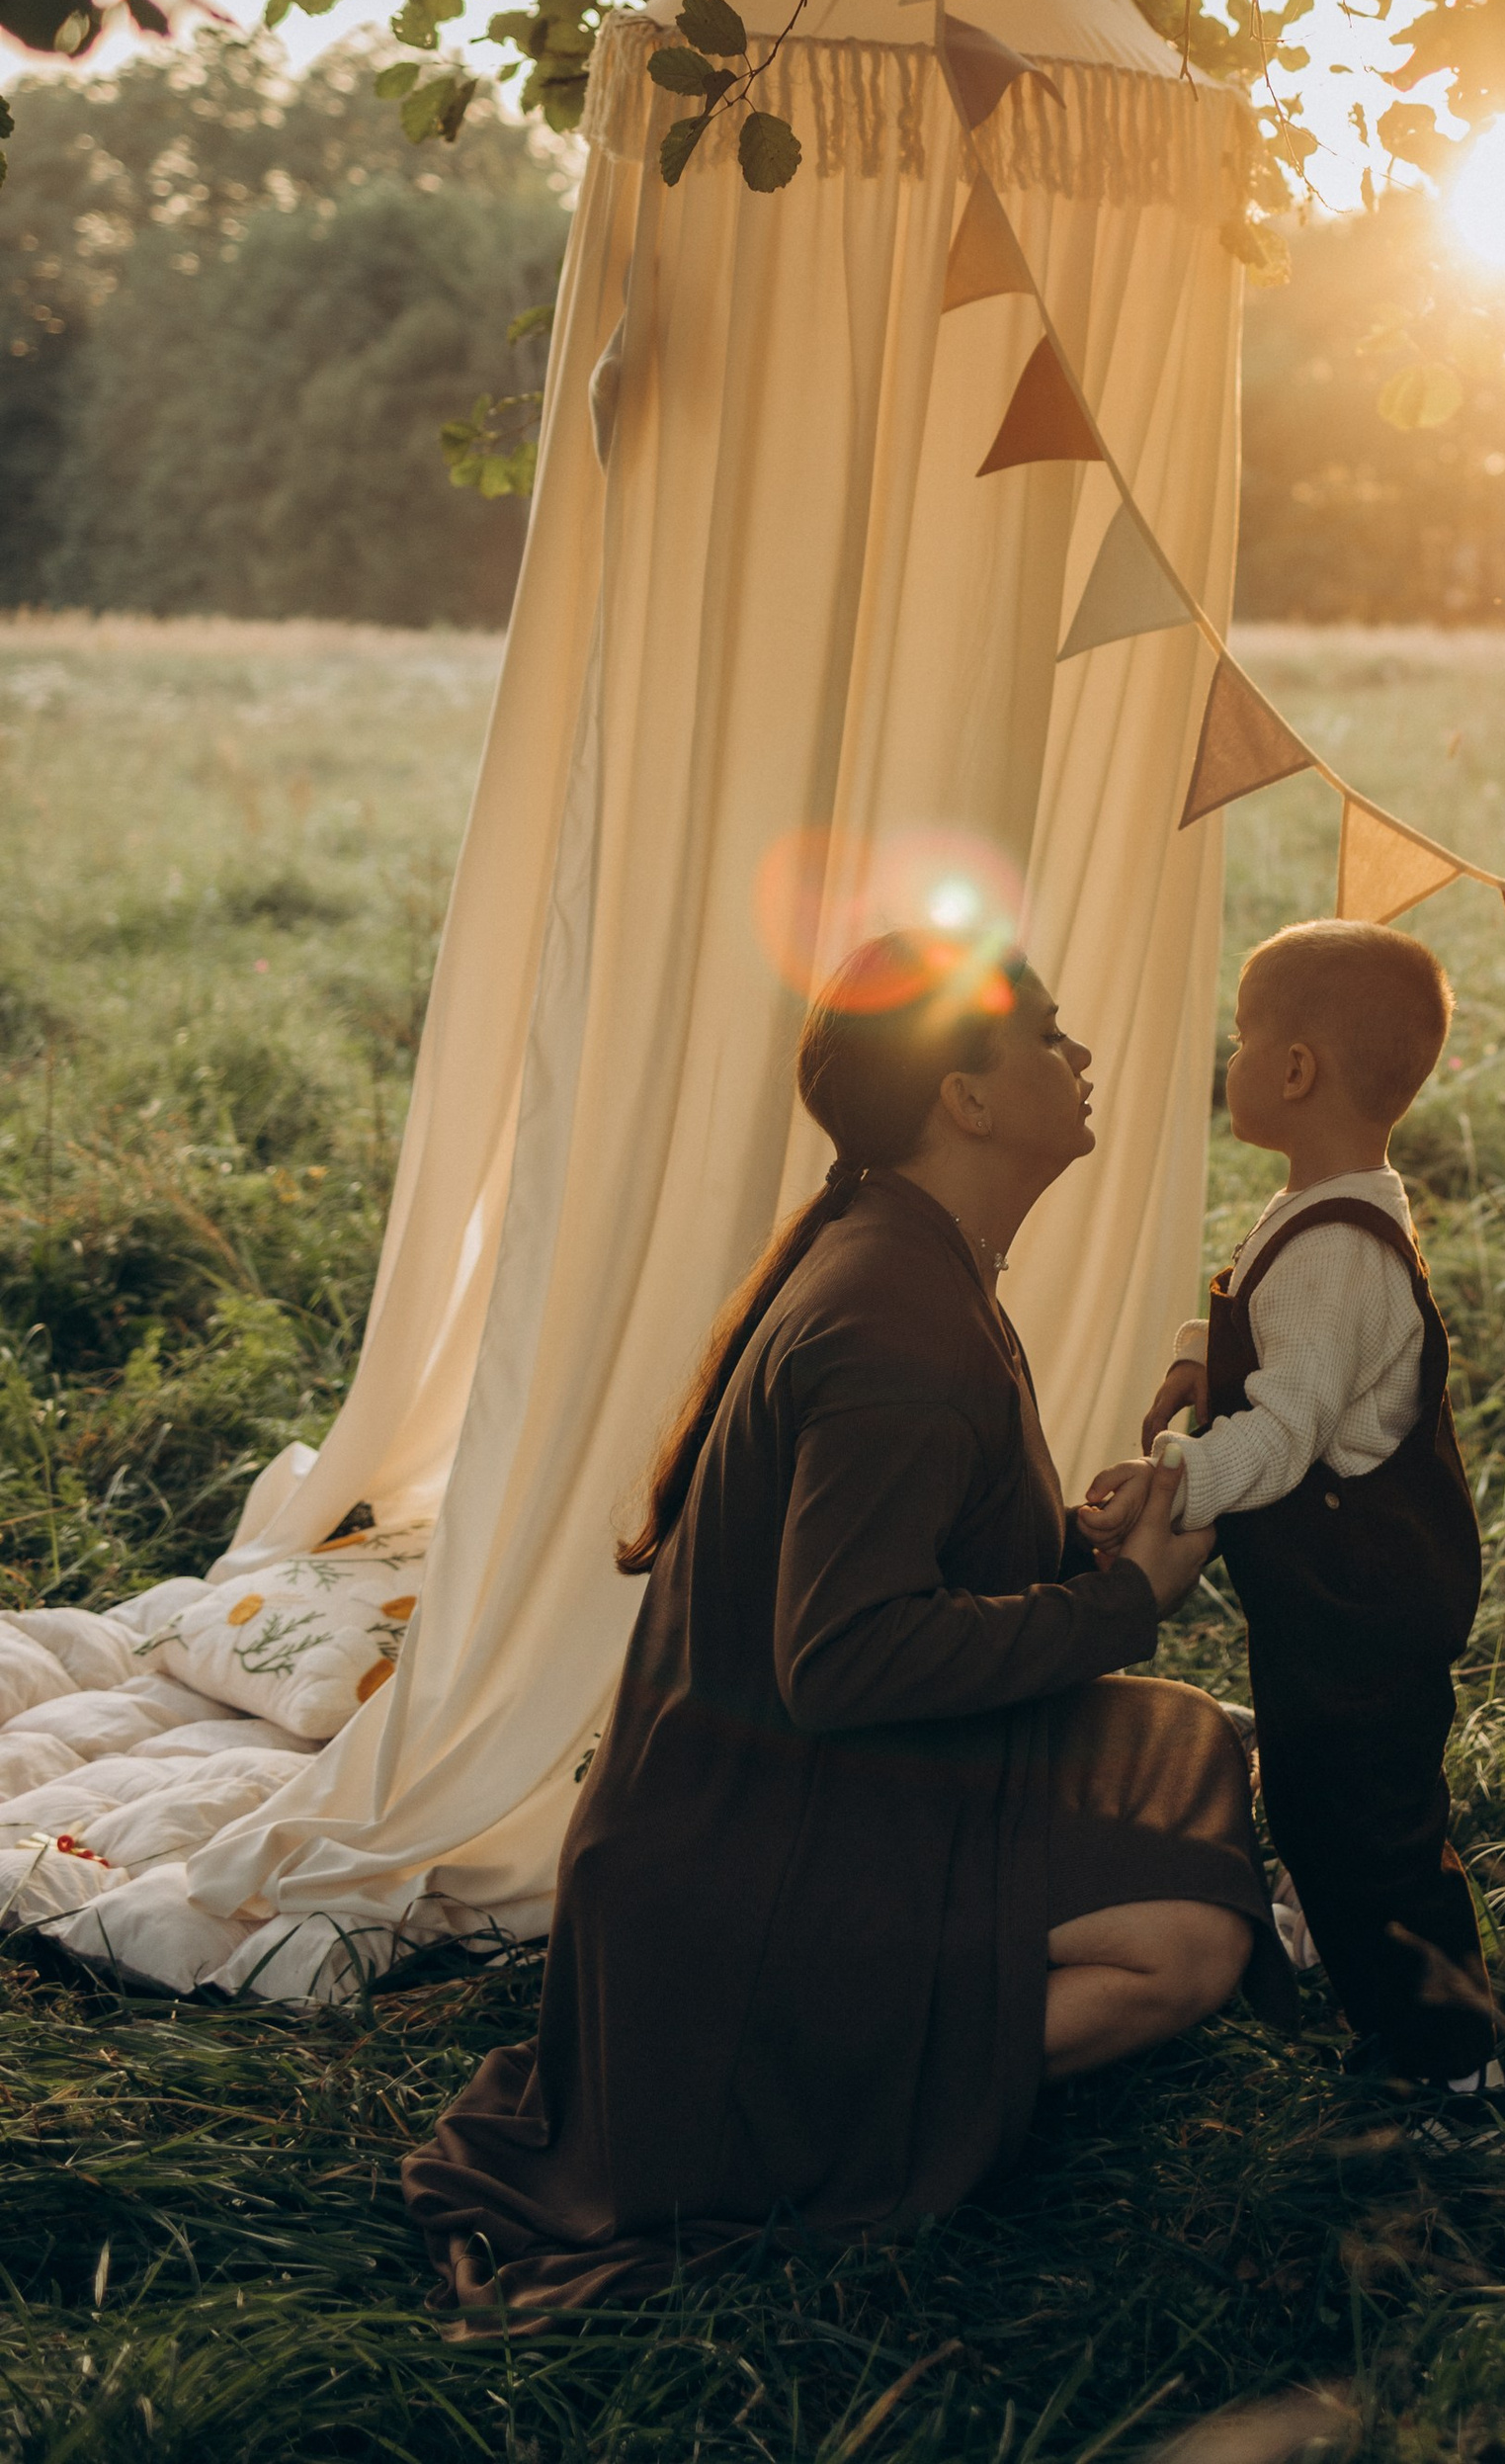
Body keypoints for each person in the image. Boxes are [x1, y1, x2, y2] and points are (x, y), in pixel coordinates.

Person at [405, 930, 1282, 2327]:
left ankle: (925, 1998)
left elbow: (912, 1553)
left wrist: (1071, 1543)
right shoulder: (894, 1324)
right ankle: (832, 2091)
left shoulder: (913, 1258)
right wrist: (1122, 1600)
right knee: (1183, 1949)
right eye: (1050, 1033)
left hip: (792, 1795)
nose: (1084, 1054)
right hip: (746, 1867)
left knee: (1178, 1751)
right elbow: (847, 1659)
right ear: (968, 1098)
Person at [1083, 918, 1496, 2096]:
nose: (1232, 1057)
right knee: (1325, 1799)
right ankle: (1331, 1917)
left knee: (1371, 1829)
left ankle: (1449, 2069)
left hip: (1358, 1611)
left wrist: (1175, 1483)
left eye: (1242, 1037)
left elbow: (1290, 1428)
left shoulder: (1335, 1253)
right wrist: (1194, 1357)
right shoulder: (1329, 1208)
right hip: (1334, 1610)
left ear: (1295, 1068)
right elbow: (1277, 1335)